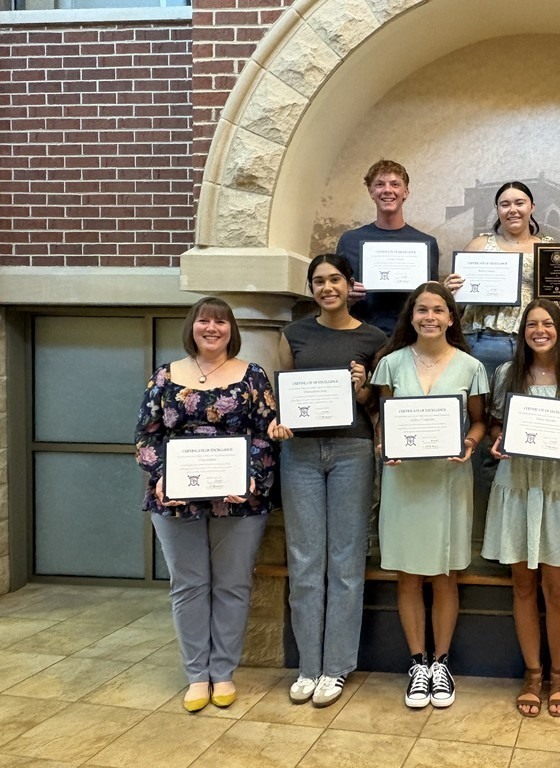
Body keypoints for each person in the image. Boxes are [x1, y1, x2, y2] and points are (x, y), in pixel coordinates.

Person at [134, 297, 277, 713]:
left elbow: (266, 434)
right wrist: (162, 476)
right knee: (189, 585)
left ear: (232, 329)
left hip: (238, 500)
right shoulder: (165, 375)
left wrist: (252, 476)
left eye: (220, 321)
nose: (212, 328)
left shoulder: (253, 376)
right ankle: (197, 675)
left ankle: (224, 671)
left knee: (233, 585)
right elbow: (145, 435)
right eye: (204, 321)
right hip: (177, 498)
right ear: (191, 327)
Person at [268, 254, 387, 708]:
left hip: (352, 452)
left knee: (345, 561)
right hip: (299, 454)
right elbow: (282, 394)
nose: (327, 288)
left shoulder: (373, 338)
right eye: (318, 281)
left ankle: (336, 667)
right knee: (303, 561)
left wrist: (362, 385)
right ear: (311, 288)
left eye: (335, 279)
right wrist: (279, 421)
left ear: (350, 285)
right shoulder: (293, 334)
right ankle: (308, 666)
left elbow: (374, 403)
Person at [370, 283, 488, 709]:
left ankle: (441, 664)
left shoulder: (472, 366)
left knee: (444, 574)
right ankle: (418, 664)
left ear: (451, 317)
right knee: (408, 574)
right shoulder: (390, 364)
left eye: (439, 309)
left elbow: (479, 422)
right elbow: (383, 419)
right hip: (404, 481)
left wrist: (469, 444)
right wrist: (384, 443)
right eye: (422, 310)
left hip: (448, 481)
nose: (430, 317)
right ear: (412, 316)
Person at [482, 299, 560, 718]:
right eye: (531, 324)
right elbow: (497, 425)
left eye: (547, 323)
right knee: (522, 587)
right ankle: (533, 674)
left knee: (558, 589)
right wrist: (498, 441)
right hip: (519, 483)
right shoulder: (507, 373)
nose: (539, 330)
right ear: (523, 332)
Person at [442, 181, 552, 380]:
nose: (513, 210)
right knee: (478, 398)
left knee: (527, 399)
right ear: (497, 209)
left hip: (534, 341)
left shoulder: (549, 249)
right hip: (481, 340)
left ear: (532, 207)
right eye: (505, 204)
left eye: (519, 203)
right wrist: (448, 294)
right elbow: (456, 308)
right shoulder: (479, 245)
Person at [336, 159, 441, 336]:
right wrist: (347, 298)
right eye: (379, 184)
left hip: (411, 336)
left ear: (405, 192)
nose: (387, 190)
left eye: (395, 184)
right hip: (360, 335)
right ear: (371, 192)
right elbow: (336, 297)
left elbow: (432, 297)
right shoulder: (350, 240)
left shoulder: (426, 244)